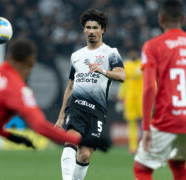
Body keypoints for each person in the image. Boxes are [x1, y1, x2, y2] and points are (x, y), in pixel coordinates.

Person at [0, 38, 110, 180]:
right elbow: (40, 127)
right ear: (31, 62)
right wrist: (84, 140)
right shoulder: (16, 88)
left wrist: (11, 136)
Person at [133, 1, 186, 180]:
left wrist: (146, 126)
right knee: (178, 163)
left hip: (170, 117)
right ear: (183, 19)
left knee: (142, 169)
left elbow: (148, 87)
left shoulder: (153, 45)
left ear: (160, 19)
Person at [55, 9, 126, 180]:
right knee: (71, 141)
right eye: (88, 27)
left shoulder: (111, 52)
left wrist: (101, 70)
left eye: (95, 27)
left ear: (103, 30)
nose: (91, 31)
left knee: (85, 154)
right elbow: (70, 86)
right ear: (83, 29)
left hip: (97, 111)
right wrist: (61, 115)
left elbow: (121, 76)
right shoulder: (77, 56)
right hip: (77, 107)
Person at [117, 46, 142, 154]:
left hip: (142, 97)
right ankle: (133, 148)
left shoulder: (143, 64)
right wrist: (120, 97)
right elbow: (123, 83)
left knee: (146, 123)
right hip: (130, 98)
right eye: (131, 52)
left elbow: (151, 81)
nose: (133, 54)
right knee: (131, 123)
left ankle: (146, 146)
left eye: (134, 52)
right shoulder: (126, 65)